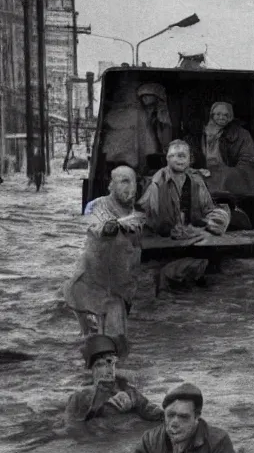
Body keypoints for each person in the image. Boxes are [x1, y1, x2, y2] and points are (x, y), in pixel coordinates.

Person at [63, 165, 146, 355]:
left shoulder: (138, 212)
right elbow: (102, 227)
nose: (130, 187)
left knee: (113, 345)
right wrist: (119, 224)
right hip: (92, 285)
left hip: (122, 288)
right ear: (111, 185)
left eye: (133, 181)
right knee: (112, 346)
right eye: (124, 181)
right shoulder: (96, 205)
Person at [130, 382, 238, 453]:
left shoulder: (218, 442)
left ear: (197, 417)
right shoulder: (150, 440)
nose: (174, 423)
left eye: (183, 417)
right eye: (170, 415)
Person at [138, 139, 230, 238]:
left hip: (193, 238)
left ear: (190, 159)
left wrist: (217, 219)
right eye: (172, 156)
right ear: (167, 159)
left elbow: (208, 210)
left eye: (181, 156)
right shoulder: (158, 182)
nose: (177, 159)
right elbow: (142, 215)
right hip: (165, 242)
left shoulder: (196, 181)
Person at [65, 334, 165, 424]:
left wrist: (134, 407)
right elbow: (72, 429)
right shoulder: (79, 398)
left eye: (111, 363)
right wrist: (97, 405)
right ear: (91, 369)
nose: (108, 370)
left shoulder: (128, 391)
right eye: (100, 364)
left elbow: (153, 411)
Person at [189, 101, 254, 198]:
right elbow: (189, 155)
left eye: (226, 115)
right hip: (203, 173)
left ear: (230, 117)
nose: (221, 117)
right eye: (218, 114)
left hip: (226, 175)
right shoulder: (198, 134)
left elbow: (248, 160)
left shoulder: (241, 134)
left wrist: (230, 174)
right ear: (212, 115)